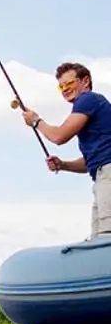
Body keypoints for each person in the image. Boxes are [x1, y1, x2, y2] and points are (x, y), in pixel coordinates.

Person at [20, 62, 111, 239]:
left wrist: (36, 121)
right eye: (61, 86)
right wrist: (63, 165)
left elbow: (59, 136)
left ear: (85, 81)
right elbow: (90, 161)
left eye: (69, 83)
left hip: (107, 176)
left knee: (106, 238)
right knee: (99, 241)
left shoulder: (88, 99)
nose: (65, 89)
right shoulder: (93, 107)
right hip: (102, 176)